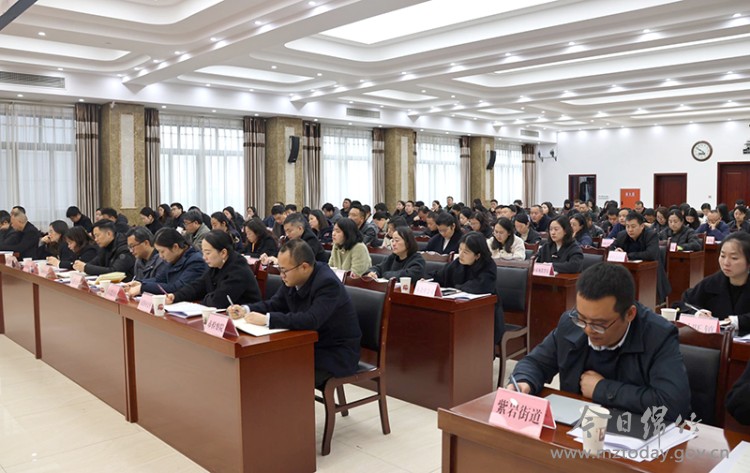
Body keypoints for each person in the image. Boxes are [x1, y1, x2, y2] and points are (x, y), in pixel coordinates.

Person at [509, 263, 691, 422]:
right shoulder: (571, 324)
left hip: (630, 432)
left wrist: (602, 389)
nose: (588, 330)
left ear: (629, 314)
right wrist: (524, 381)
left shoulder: (658, 336)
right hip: (574, 429)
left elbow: (673, 405)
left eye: (599, 324)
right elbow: (536, 362)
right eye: (582, 318)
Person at [228, 239, 362, 388]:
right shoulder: (293, 278)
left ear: (304, 267)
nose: (281, 275)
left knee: (278, 368)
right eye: (280, 269)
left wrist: (267, 319)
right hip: (309, 344)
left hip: (335, 353)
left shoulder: (327, 283)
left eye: (284, 270)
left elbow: (312, 319)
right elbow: (275, 303)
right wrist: (246, 309)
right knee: (265, 361)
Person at [435, 232, 505, 343]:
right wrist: (428, 281)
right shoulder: (458, 262)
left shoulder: (489, 266)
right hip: (461, 313)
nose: (461, 255)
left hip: (486, 317)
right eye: (460, 250)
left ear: (477, 255)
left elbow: (480, 287)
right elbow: (439, 276)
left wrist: (456, 289)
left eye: (466, 252)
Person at [167, 230, 261, 309]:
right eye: (203, 252)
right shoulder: (217, 265)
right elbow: (199, 286)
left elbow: (218, 301)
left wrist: (205, 298)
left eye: (208, 253)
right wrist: (176, 296)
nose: (204, 257)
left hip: (245, 319)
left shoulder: (238, 270)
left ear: (223, 253)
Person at [679, 232, 750, 335]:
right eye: (723, 256)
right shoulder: (712, 283)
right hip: (715, 342)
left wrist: (737, 321)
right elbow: (682, 304)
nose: (726, 262)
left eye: (734, 258)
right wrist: (697, 313)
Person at [124, 228, 208, 297]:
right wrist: (140, 283)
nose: (160, 256)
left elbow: (177, 288)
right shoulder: (173, 258)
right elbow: (160, 279)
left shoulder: (196, 261)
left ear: (175, 247)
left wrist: (143, 288)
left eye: (162, 251)